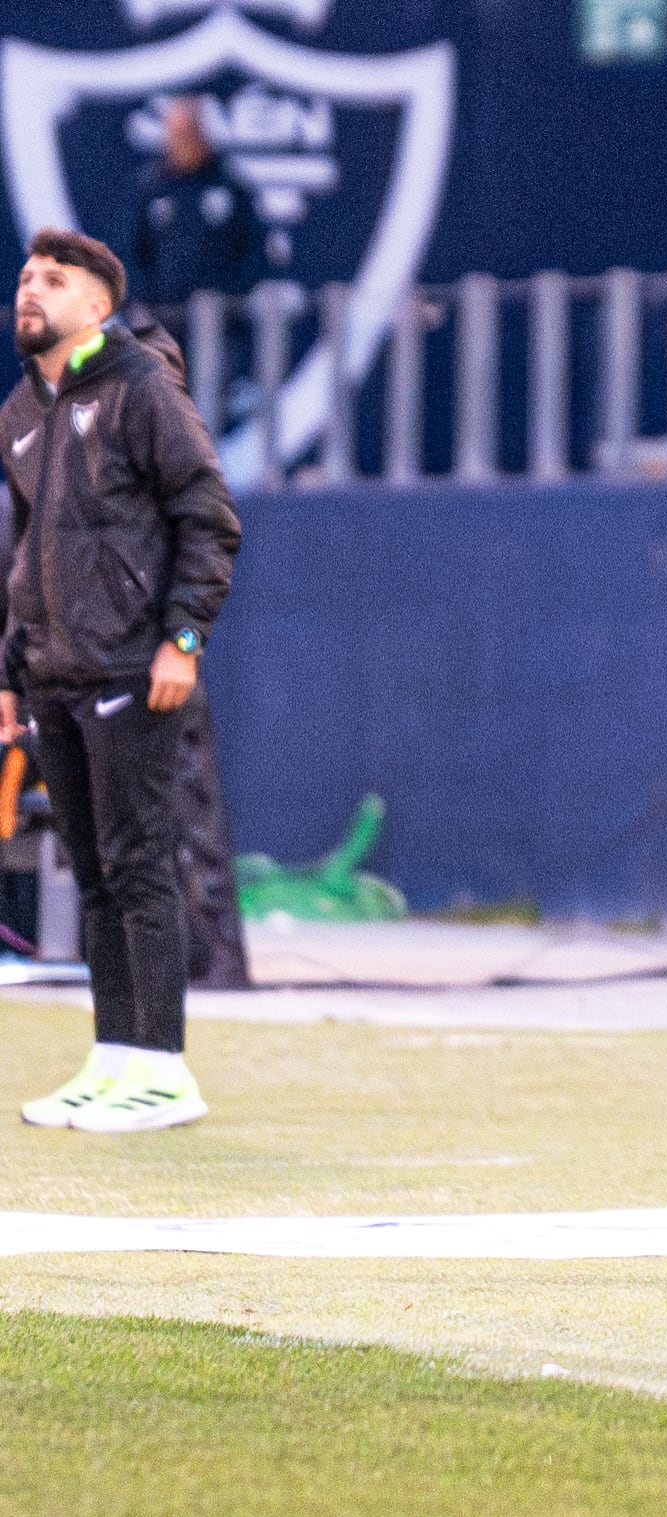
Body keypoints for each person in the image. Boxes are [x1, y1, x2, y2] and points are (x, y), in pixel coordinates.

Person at [6, 228, 242, 1133]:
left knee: (142, 866)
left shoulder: (144, 389)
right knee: (97, 875)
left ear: (97, 305)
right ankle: (113, 1057)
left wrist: (182, 639)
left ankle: (164, 1068)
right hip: (55, 674)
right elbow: (19, 555)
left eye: (53, 280)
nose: (31, 290)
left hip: (132, 670)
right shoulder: (22, 411)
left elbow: (209, 518)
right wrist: (9, 672)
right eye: (26, 277)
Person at [127, 97, 262, 317]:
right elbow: (128, 249)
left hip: (222, 322)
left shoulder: (230, 185)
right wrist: (142, 298)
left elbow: (256, 249)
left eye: (189, 132)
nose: (182, 143)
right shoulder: (151, 187)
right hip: (162, 319)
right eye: (176, 134)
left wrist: (231, 296)